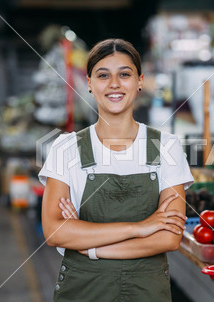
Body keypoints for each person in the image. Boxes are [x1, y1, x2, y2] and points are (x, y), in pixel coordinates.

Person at [38, 39, 194, 302]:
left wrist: (91, 246)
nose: (114, 84)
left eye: (124, 74)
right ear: (88, 83)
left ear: (140, 81)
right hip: (83, 294)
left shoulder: (167, 146)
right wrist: (141, 227)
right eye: (103, 75)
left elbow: (169, 237)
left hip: (147, 295)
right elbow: (55, 232)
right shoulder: (66, 149)